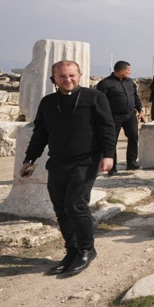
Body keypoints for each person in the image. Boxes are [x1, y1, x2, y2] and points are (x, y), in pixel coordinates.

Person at [21, 60, 116, 276]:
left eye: (71, 75)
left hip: (86, 161)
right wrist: (29, 159)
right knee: (61, 208)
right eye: (62, 76)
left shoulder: (94, 98)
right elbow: (40, 134)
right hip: (58, 162)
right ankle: (71, 250)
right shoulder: (48, 102)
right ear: (54, 78)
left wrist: (109, 155)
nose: (67, 79)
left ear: (80, 75)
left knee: (76, 205)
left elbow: (107, 128)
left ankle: (86, 249)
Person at [96, 60, 145, 175]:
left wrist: (140, 109)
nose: (130, 72)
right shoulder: (105, 84)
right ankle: (112, 168)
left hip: (130, 115)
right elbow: (100, 102)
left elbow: (135, 96)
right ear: (122, 71)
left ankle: (131, 163)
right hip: (113, 116)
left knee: (133, 137)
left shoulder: (130, 82)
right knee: (111, 141)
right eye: (128, 70)